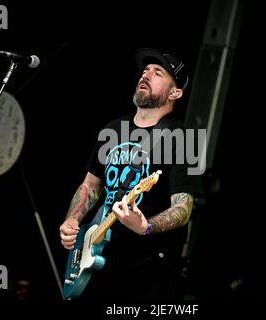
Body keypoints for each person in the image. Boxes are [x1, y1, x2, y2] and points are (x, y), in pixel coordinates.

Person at [59, 48, 203, 300]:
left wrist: (145, 226)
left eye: (158, 73)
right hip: (99, 258)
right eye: (145, 70)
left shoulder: (183, 138)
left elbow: (184, 206)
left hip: (149, 268)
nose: (146, 75)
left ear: (175, 92)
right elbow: (91, 186)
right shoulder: (112, 128)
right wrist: (73, 219)